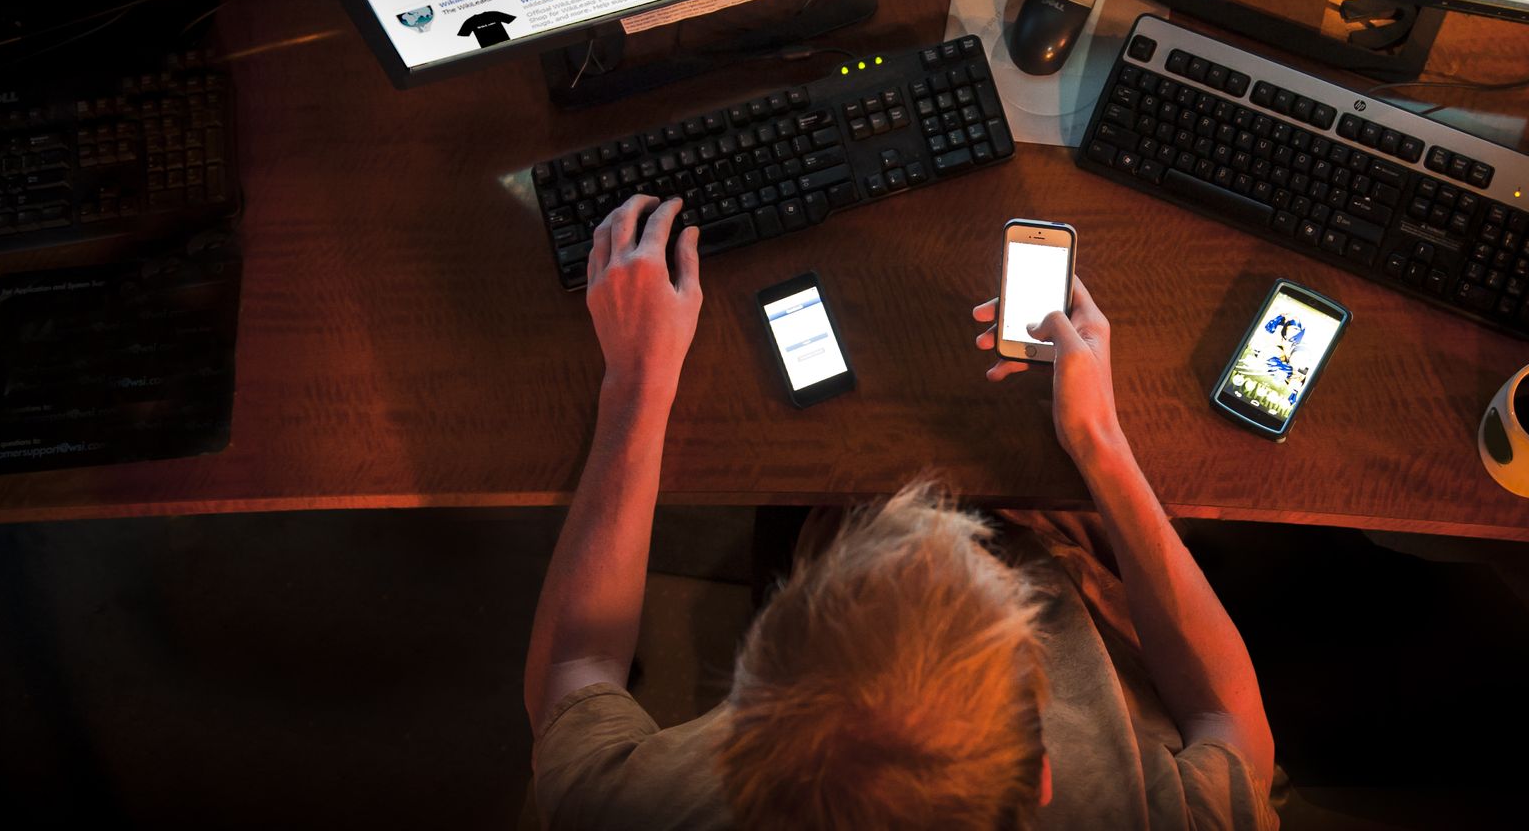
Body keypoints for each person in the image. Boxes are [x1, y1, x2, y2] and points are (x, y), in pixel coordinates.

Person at [525, 195, 1278, 829]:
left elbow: (577, 667)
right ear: (1043, 777)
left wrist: (635, 380)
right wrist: (1100, 439)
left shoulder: (636, 810)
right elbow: (1233, 729)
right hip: (1075, 558)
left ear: (741, 742)